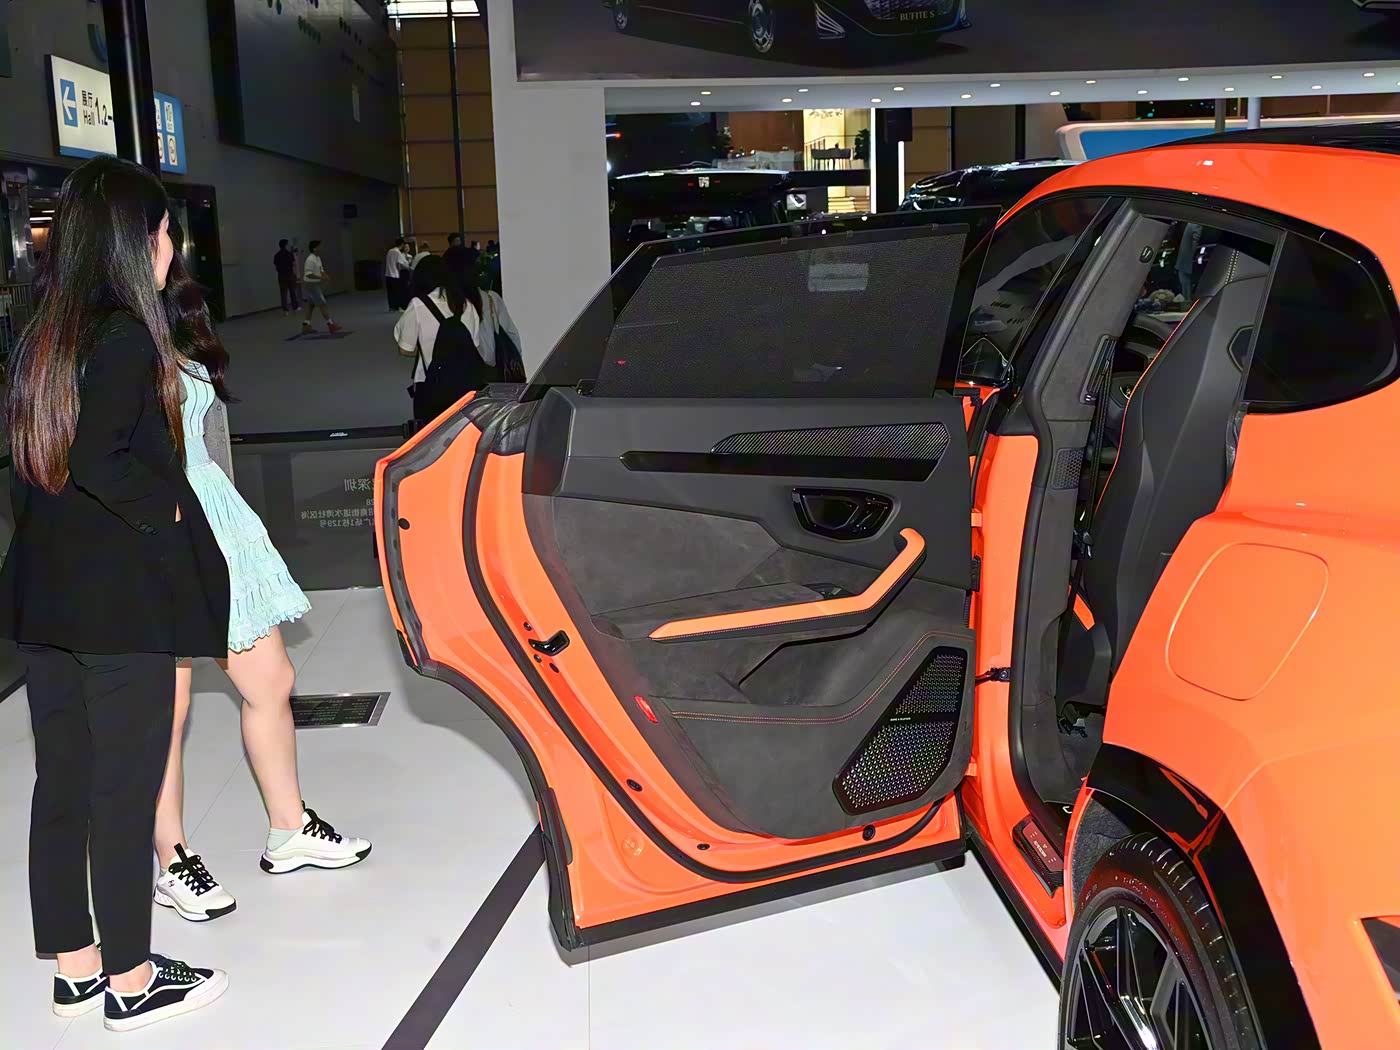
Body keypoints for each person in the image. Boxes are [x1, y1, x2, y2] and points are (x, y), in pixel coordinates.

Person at [0, 155, 229, 1031]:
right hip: (118, 603)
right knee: (123, 792)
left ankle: (75, 968)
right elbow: (103, 461)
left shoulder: (42, 335)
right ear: (137, 241)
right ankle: (133, 979)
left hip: (43, 597)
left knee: (61, 781)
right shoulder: (127, 337)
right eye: (165, 233)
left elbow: (32, 470)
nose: (172, 249)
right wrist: (163, 507)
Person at [149, 245, 371, 923]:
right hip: (159, 525)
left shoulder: (173, 314)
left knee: (271, 680)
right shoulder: (108, 330)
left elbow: (205, 433)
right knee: (165, 710)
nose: (167, 245)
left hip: (213, 513)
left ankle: (289, 827)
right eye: (157, 232)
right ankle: (172, 859)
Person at [301, 240, 341, 335]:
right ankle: (330, 324)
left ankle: (306, 325)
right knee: (322, 304)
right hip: (311, 284)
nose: (321, 249)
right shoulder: (310, 260)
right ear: (315, 248)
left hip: (315, 283)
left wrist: (325, 275)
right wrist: (320, 277)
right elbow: (308, 274)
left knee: (310, 305)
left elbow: (321, 269)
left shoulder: (318, 258)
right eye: (320, 247)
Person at [383, 237, 409, 311]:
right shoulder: (397, 252)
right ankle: (397, 307)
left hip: (388, 274)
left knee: (390, 293)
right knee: (396, 292)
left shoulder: (390, 251)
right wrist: (407, 267)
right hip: (395, 275)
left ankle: (391, 307)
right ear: (402, 244)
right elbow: (399, 264)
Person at [273, 239, 297, 314]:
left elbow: (276, 266)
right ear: (285, 245)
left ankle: (285, 310)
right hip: (289, 275)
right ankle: (295, 307)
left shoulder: (277, 255)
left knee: (283, 293)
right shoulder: (289, 254)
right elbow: (294, 264)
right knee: (292, 292)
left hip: (281, 276)